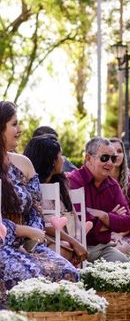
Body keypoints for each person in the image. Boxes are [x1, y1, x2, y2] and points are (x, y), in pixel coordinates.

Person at [0, 101, 79, 300]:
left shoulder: (24, 163)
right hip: (2, 246)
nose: (20, 130)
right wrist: (23, 231)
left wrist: (31, 239)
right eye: (14, 124)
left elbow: (35, 209)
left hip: (28, 244)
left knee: (68, 274)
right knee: (32, 276)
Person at [23, 134, 88, 266]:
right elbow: (45, 224)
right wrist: (74, 243)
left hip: (63, 241)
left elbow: (75, 220)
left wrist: (77, 242)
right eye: (60, 155)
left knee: (64, 246)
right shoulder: (30, 188)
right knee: (62, 248)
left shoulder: (61, 186)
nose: (63, 159)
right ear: (52, 160)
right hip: (36, 240)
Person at [67, 138, 130, 263]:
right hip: (76, 247)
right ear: (88, 158)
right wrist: (112, 219)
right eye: (104, 158)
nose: (110, 163)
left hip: (103, 248)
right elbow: (81, 221)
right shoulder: (74, 180)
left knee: (126, 267)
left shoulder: (112, 185)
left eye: (113, 159)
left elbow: (127, 222)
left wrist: (103, 215)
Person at [108, 137, 130, 255]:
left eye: (119, 151)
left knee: (116, 251)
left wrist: (120, 234)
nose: (116, 155)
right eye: (112, 152)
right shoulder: (99, 181)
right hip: (102, 233)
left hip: (127, 235)